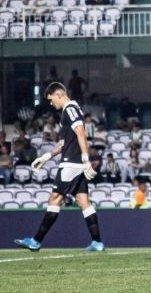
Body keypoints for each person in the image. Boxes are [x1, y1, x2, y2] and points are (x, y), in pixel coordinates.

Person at [14, 83, 105, 252]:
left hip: (71, 163)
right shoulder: (70, 111)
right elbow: (64, 142)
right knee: (83, 201)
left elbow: (81, 133)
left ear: (59, 95)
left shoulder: (70, 109)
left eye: (51, 99)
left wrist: (86, 159)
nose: (51, 103)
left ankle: (36, 241)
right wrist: (46, 157)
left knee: (55, 198)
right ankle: (97, 242)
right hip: (75, 163)